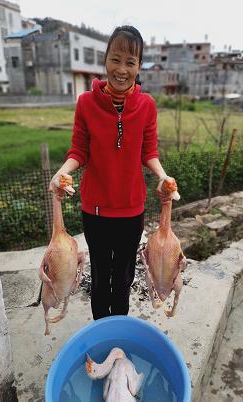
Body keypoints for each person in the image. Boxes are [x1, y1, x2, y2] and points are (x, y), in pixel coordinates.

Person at [50, 25, 173, 320]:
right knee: (101, 278)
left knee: (123, 279)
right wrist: (61, 172)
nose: (122, 69)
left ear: (139, 66)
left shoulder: (147, 105)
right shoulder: (86, 104)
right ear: (105, 60)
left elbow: (149, 152)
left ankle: (119, 331)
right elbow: (79, 150)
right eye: (115, 59)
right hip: (95, 212)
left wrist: (163, 176)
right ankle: (101, 331)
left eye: (130, 62)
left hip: (132, 212)